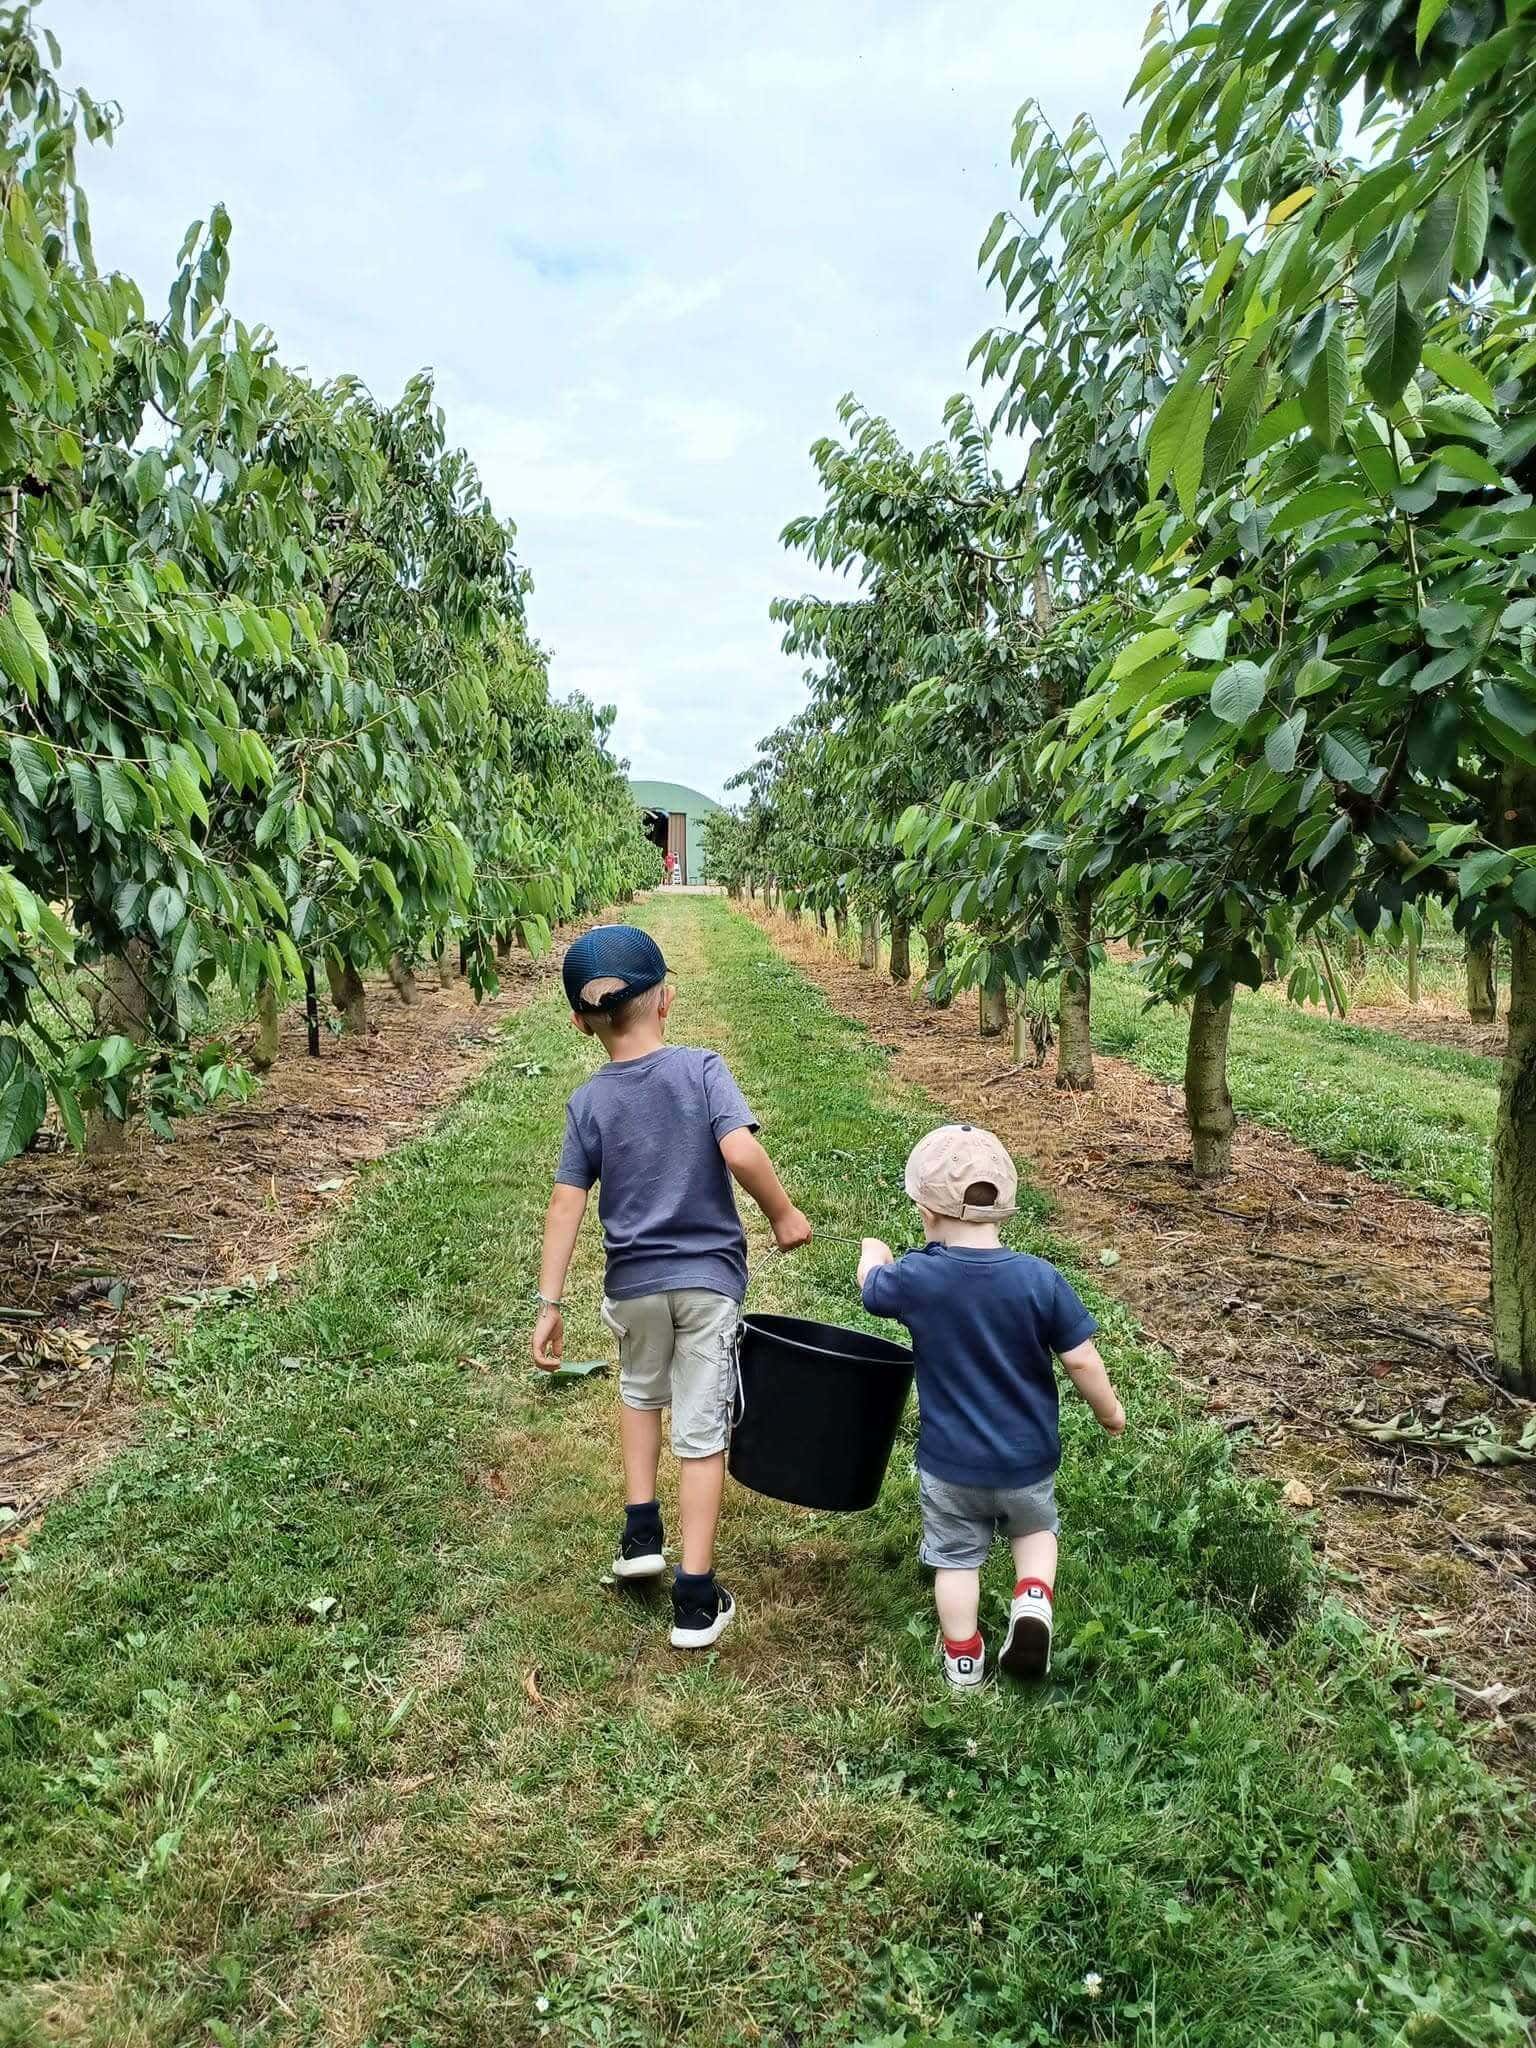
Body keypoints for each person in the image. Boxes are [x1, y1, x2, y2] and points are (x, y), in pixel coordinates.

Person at [532, 923, 812, 1648]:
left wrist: (550, 1302)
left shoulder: (588, 1102)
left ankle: (639, 1533)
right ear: (667, 1001)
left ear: (577, 1022)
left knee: (638, 1393)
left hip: (633, 1286)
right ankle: (694, 1597)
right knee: (699, 1431)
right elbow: (739, 1148)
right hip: (707, 1284)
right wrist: (781, 1213)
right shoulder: (701, 1070)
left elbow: (567, 1203)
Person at [857, 1123, 1125, 1689]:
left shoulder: (917, 1277)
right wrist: (1109, 1413)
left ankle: (963, 1658)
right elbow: (1081, 1360)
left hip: (951, 1465)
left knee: (956, 1560)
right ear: (1004, 1206)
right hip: (1028, 1459)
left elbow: (873, 1291)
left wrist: (873, 1256)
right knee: (1035, 1532)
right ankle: (1032, 1602)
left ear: (925, 1212)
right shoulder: (1039, 1279)